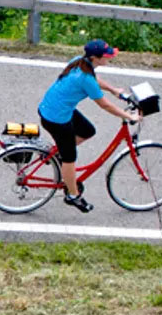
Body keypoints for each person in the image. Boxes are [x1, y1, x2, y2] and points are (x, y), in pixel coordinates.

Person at [38, 38, 137, 212]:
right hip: (56, 118)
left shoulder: (79, 61)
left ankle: (57, 153)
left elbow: (94, 78)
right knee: (70, 157)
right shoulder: (85, 78)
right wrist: (127, 115)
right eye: (107, 56)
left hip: (52, 109)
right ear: (95, 58)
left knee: (87, 130)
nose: (110, 58)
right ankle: (73, 196)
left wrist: (114, 90)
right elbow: (104, 104)